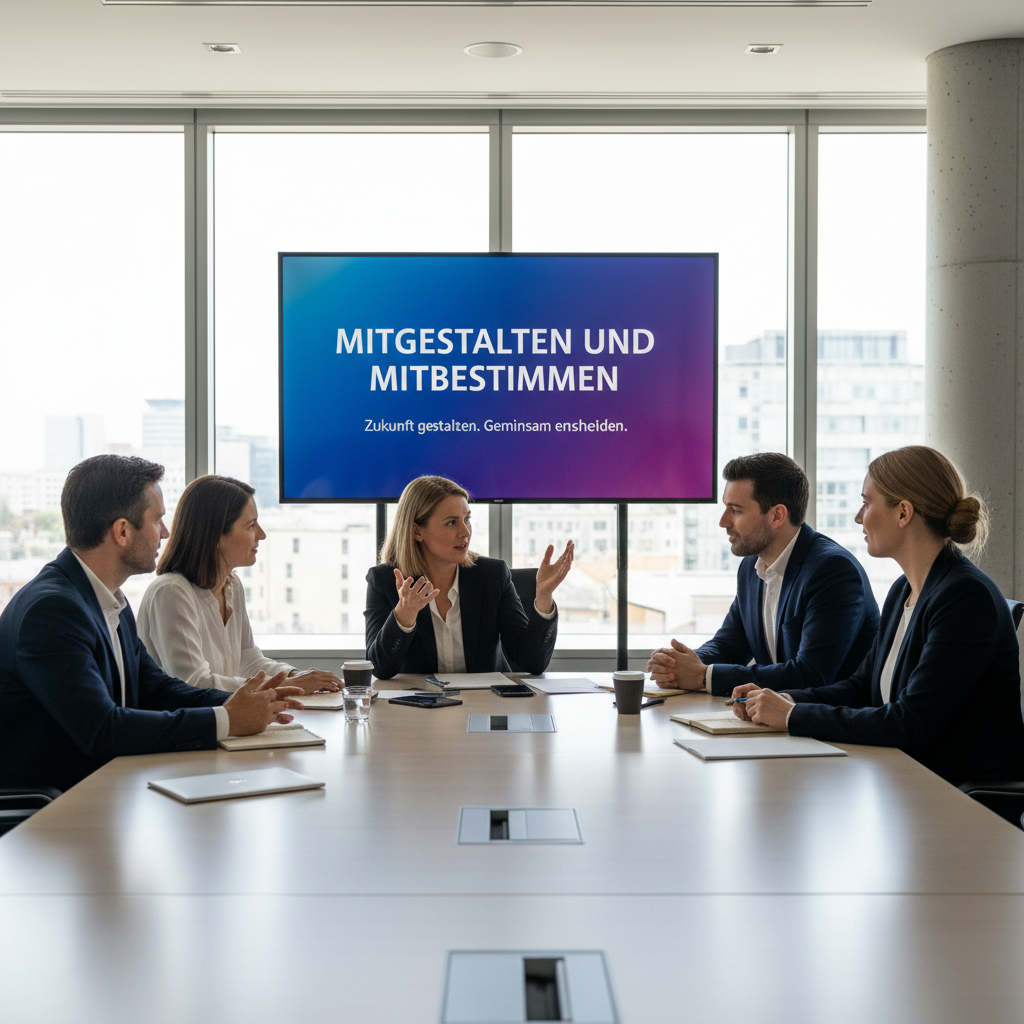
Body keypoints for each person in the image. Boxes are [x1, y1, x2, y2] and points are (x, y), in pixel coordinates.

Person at [0, 456, 304, 793]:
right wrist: (228, 720)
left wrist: (249, 703)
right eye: (157, 519)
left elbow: (156, 688)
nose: (166, 531)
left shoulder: (110, 599)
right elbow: (102, 729)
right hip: (56, 810)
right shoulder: (52, 610)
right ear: (123, 531)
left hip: (111, 786)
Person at [732, 446, 1024, 785]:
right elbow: (861, 688)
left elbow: (909, 723)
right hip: (907, 779)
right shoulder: (904, 589)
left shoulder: (964, 597)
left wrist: (793, 715)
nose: (858, 517)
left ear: (903, 513)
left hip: (963, 798)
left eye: (867, 503)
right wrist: (783, 699)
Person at [648, 453, 879, 697]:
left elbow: (810, 674)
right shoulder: (752, 565)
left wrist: (702, 676)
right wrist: (678, 664)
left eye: (735, 510)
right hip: (776, 721)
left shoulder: (833, 570)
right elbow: (729, 645)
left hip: (829, 727)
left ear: (777, 515)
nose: (723, 522)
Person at [137, 475, 342, 695]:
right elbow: (194, 684)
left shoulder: (232, 586)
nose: (261, 535)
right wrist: (287, 686)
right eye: (251, 525)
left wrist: (294, 676)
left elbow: (248, 659)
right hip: (187, 726)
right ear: (216, 535)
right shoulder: (171, 592)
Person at [365, 475, 572, 679]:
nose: (465, 532)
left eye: (467, 519)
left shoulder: (492, 575)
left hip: (488, 705)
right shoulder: (384, 581)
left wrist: (544, 596)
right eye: (451, 523)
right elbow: (379, 669)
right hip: (419, 708)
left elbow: (532, 662)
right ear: (417, 532)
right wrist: (404, 616)